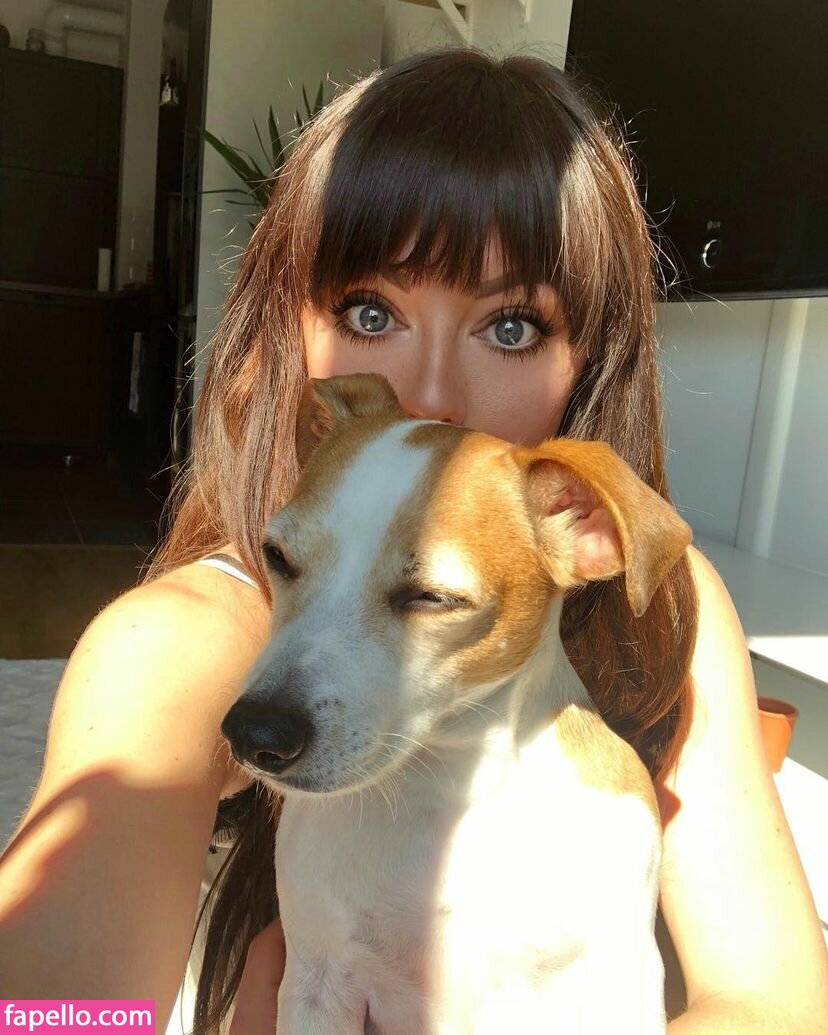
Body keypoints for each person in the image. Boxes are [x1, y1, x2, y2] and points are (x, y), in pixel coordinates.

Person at [1, 44, 826, 1035]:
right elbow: (53, 1015)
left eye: (511, 326)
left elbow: (775, 1000)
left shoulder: (668, 599)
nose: (429, 395)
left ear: (589, 358)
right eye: (370, 310)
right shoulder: (173, 644)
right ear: (294, 337)